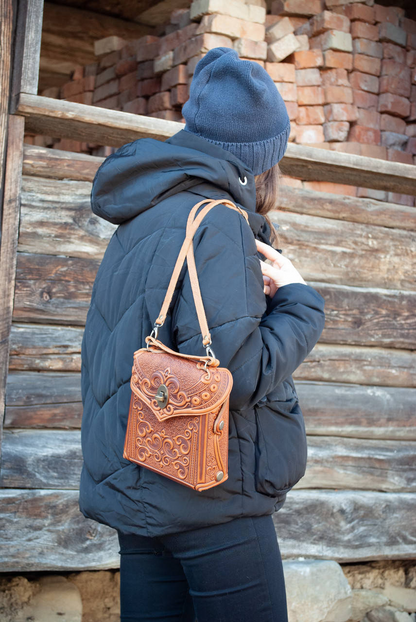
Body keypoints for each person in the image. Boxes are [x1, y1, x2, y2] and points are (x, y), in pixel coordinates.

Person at [79, 47, 326, 622]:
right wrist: (297, 304)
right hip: (212, 499)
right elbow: (233, 376)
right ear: (261, 157)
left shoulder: (142, 216)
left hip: (140, 489)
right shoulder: (217, 222)